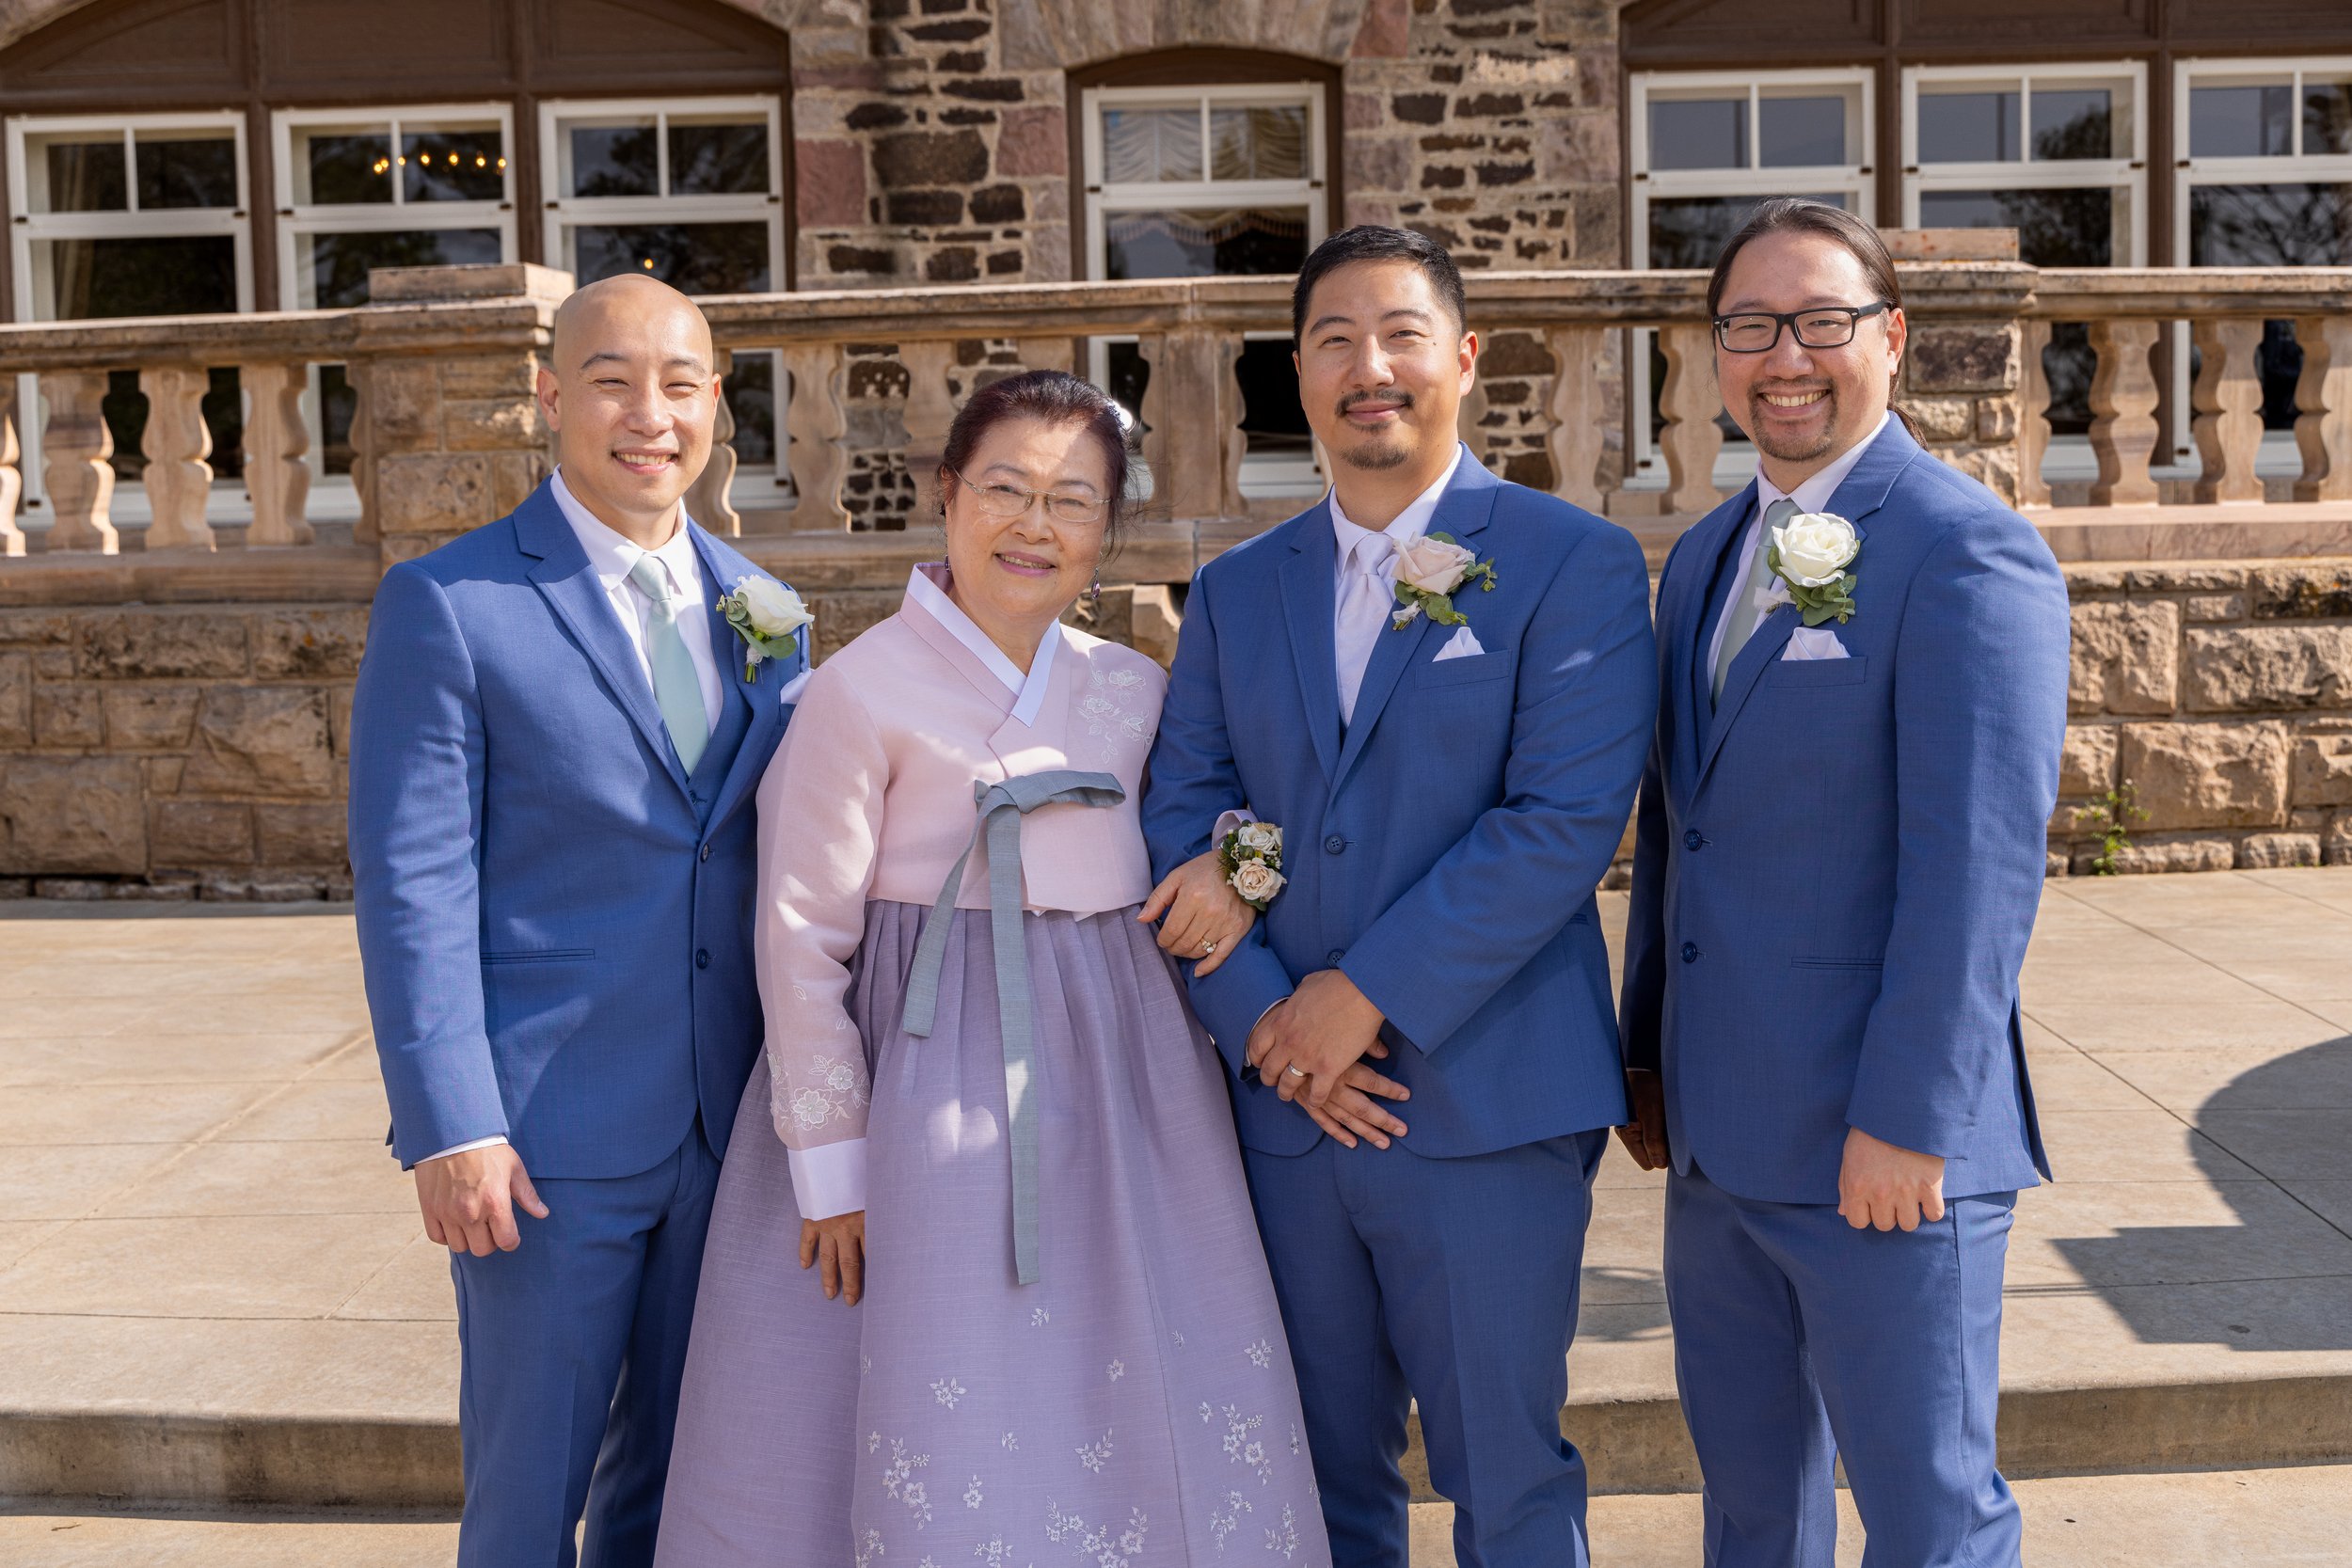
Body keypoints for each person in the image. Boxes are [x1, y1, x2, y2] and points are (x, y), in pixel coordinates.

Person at [656, 370, 1334, 1568]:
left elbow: (1206, 825)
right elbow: (801, 940)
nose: (1034, 525)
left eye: (1072, 499)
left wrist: (1231, 868)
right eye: (1006, 489)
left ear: (1106, 527)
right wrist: (831, 1162)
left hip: (1126, 1085)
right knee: (941, 1373)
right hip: (929, 1080)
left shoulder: (1133, 687)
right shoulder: (856, 691)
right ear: (947, 494)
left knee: (1130, 1374)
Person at [1141, 227, 1658, 1568]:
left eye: (1401, 335)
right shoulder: (1238, 589)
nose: (1369, 367)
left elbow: (1558, 823)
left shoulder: (1573, 562)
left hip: (1484, 1099)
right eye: (1334, 341)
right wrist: (1273, 1026)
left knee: (1508, 1475)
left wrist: (1357, 996)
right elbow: (1182, 812)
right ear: (1297, 375)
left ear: (1464, 359)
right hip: (1283, 1114)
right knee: (1313, 1480)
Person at [1617, 198, 2070, 1568]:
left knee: (1929, 1516)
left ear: (1892, 337)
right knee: (1753, 1512)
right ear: (1714, 352)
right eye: (1751, 325)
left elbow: (1976, 869)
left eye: (1822, 320)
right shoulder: (1703, 555)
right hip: (1717, 1141)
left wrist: (1910, 1120)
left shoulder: (1963, 546)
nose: (1786, 357)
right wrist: (1649, 1060)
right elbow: (1680, 830)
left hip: (1884, 1149)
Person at [347, 275, 807, 1566]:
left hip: (728, 1130)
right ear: (552, 397)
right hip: (540, 1143)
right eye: (612, 381)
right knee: (526, 1496)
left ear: (715, 403)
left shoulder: (769, 614)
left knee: (680, 1493)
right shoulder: (451, 601)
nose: (649, 414)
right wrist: (453, 1124)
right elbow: (413, 880)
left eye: (679, 384)